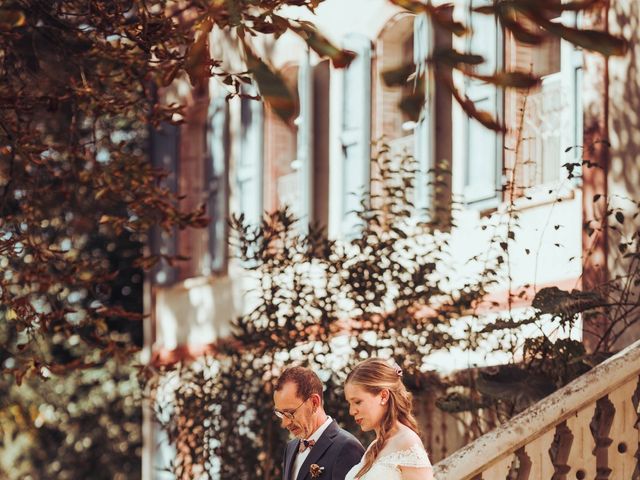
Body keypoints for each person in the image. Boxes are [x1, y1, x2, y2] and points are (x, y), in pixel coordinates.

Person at [344, 358, 434, 480]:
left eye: (357, 402)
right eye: (349, 403)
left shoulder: (407, 442)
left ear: (383, 396)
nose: (351, 411)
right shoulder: (373, 447)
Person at [274, 366, 365, 480]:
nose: (285, 422)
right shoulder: (291, 447)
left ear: (314, 403)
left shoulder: (348, 448)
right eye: (281, 413)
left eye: (290, 413)